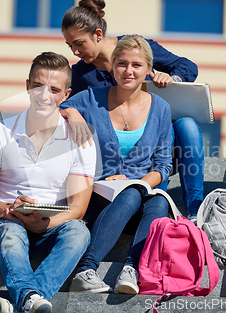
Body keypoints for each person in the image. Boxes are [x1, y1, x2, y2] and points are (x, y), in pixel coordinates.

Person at [0, 52, 96, 313]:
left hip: (51, 226)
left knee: (79, 232)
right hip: (1, 225)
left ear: (66, 94)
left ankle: (23, 301)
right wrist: (9, 209)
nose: (44, 96)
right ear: (27, 86)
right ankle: (29, 298)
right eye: (37, 86)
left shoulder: (80, 140)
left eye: (54, 89)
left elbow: (78, 209)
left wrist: (43, 222)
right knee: (12, 231)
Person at [61, 0, 203, 221]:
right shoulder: (80, 74)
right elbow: (63, 104)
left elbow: (187, 65)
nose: (75, 52)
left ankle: (195, 211)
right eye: (70, 46)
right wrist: (72, 112)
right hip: (118, 153)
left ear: (98, 35)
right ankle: (155, 208)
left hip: (158, 140)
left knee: (188, 126)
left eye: (79, 44)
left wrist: (172, 78)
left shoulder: (136, 47)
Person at [60, 35, 173, 294]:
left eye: (136, 65)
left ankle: (131, 268)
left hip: (136, 197)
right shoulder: (90, 98)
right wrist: (70, 112)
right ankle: (86, 269)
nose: (128, 71)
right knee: (133, 193)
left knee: (158, 200)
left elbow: (163, 165)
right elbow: (47, 109)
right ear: (112, 67)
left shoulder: (161, 108)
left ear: (148, 70)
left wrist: (140, 184)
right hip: (96, 195)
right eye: (122, 63)